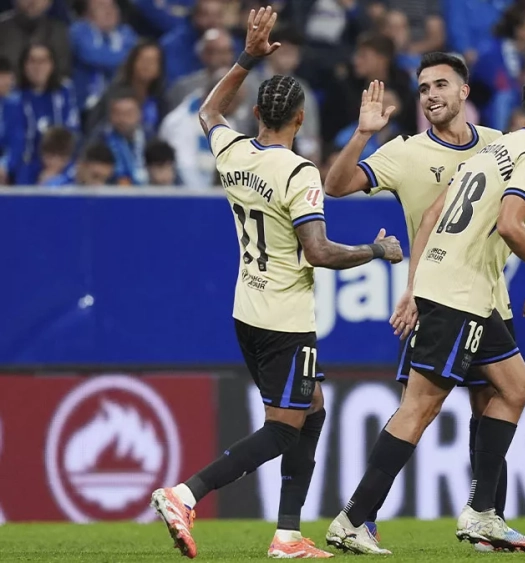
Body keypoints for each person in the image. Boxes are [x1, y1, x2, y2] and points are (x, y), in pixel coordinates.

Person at [149, 7, 403, 560]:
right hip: (285, 319)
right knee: (285, 428)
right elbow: (318, 251)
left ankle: (288, 534)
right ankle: (185, 494)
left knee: (312, 411)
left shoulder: (233, 152)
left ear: (258, 112)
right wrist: (375, 251)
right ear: (300, 118)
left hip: (248, 309)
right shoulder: (298, 172)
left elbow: (209, 110)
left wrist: (246, 56)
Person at [324, 71, 525, 555]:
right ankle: (353, 519)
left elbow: (434, 214)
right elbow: (512, 224)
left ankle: (483, 512)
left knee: (516, 387)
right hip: (458, 293)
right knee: (420, 407)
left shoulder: (495, 147)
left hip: (461, 290)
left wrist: (416, 284)